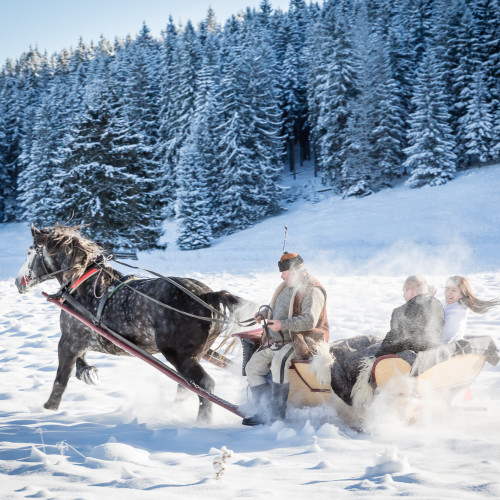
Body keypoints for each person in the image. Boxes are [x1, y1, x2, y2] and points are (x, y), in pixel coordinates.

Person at [242, 252, 329, 426]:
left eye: (285, 272)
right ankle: (262, 411)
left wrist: (282, 325)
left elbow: (309, 321)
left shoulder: (312, 289)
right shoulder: (285, 287)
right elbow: (277, 309)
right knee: (252, 367)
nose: (282, 275)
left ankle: (276, 415)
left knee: (279, 363)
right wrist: (265, 313)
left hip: (303, 339)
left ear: (296, 271)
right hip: (279, 339)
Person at [375, 275, 444, 357]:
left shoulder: (400, 311)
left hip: (411, 360)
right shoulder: (437, 306)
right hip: (433, 356)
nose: (403, 294)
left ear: (411, 292)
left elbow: (391, 342)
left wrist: (376, 356)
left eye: (404, 291)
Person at [441, 275, 500, 343]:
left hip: (446, 350)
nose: (448, 293)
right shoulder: (446, 303)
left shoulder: (456, 313)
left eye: (454, 290)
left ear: (461, 294)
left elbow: (444, 340)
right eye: (447, 288)